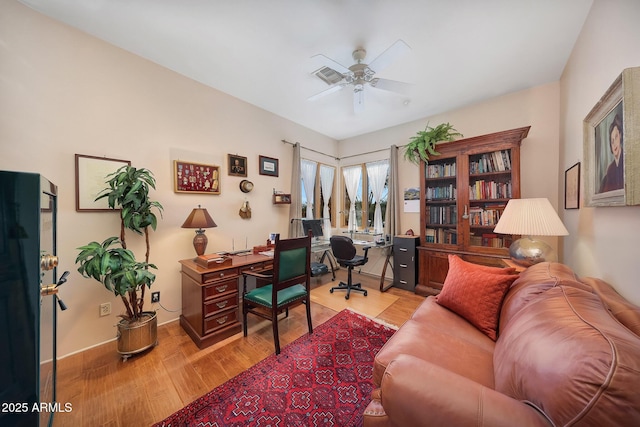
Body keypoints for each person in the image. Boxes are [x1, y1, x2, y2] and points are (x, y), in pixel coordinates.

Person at [599, 113, 624, 193]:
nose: (614, 144)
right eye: (612, 141)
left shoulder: (627, 162)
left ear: (620, 136)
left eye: (616, 137)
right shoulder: (610, 169)